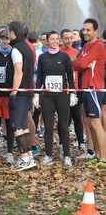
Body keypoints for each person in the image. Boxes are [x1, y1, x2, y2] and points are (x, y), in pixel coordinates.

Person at [34, 30, 76, 166]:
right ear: (47, 41)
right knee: (48, 127)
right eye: (52, 39)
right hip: (48, 97)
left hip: (62, 96)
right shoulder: (42, 58)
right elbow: (40, 76)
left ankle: (67, 155)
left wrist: (73, 93)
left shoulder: (64, 57)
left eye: (57, 39)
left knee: (63, 126)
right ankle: (48, 155)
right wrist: (36, 93)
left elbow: (70, 76)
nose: (55, 41)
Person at [74, 18, 106, 167]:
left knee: (96, 123)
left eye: (88, 30)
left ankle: (104, 158)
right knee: (89, 123)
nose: (85, 32)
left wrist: (83, 63)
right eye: (84, 29)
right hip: (86, 88)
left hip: (94, 88)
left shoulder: (98, 46)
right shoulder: (86, 46)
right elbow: (77, 65)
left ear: (95, 31)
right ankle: (97, 155)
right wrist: (83, 63)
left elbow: (80, 63)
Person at [5, 21, 36, 171]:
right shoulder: (27, 47)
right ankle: (29, 156)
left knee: (16, 125)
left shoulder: (16, 49)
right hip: (28, 90)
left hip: (20, 91)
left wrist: (13, 92)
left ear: (12, 32)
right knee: (23, 125)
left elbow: (19, 71)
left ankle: (24, 158)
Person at [59, 29, 86, 153]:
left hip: (75, 88)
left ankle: (81, 142)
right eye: (66, 38)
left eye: (71, 38)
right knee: (63, 118)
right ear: (61, 39)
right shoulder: (58, 52)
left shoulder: (77, 52)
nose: (69, 40)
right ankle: (61, 143)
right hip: (62, 89)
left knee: (77, 116)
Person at [0, 28, 15, 165]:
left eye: (7, 38)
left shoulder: (14, 53)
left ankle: (10, 153)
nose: (5, 41)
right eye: (2, 38)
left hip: (8, 95)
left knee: (9, 124)